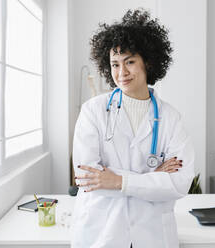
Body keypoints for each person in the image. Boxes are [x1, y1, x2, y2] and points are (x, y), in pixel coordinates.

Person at [71, 9, 195, 248]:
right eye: (114, 64)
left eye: (129, 62)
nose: (121, 73)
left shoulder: (170, 118)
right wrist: (152, 178)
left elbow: (179, 183)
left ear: (147, 61)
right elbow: (88, 180)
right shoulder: (92, 112)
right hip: (101, 233)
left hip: (152, 234)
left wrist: (117, 180)